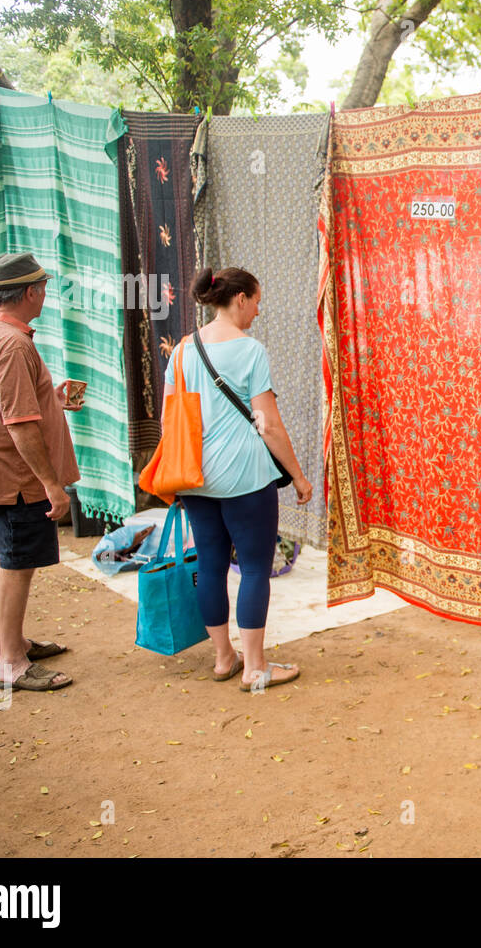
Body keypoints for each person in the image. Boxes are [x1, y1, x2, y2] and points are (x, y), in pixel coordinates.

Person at [165, 266, 312, 692]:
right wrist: (299, 477)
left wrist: (176, 478)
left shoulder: (182, 351)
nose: (259, 311)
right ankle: (255, 668)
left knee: (209, 564)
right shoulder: (250, 351)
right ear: (241, 299)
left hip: (195, 476)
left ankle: (223, 658)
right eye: (258, 301)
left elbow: (169, 420)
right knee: (252, 568)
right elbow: (268, 425)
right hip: (244, 476)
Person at [0, 253, 82, 691]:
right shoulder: (11, 344)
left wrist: (50, 397)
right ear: (31, 292)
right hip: (14, 477)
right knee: (16, 564)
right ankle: (11, 661)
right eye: (44, 289)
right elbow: (19, 424)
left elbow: (1, 401)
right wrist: (52, 484)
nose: (45, 297)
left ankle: (10, 643)